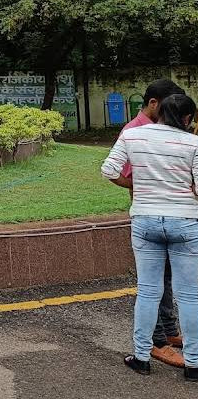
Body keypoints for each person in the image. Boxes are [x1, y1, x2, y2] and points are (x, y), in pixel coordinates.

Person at [102, 93, 198, 381]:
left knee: (148, 291)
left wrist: (141, 185)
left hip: (144, 219)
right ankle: (193, 364)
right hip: (185, 222)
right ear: (186, 118)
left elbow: (108, 169)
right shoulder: (193, 143)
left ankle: (141, 357)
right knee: (190, 294)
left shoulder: (134, 136)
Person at [118, 79, 187, 367]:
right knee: (153, 283)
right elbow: (116, 172)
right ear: (154, 104)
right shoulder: (134, 132)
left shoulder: (164, 130)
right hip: (152, 216)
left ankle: (170, 332)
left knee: (167, 278)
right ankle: (157, 341)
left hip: (168, 216)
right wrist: (151, 186)